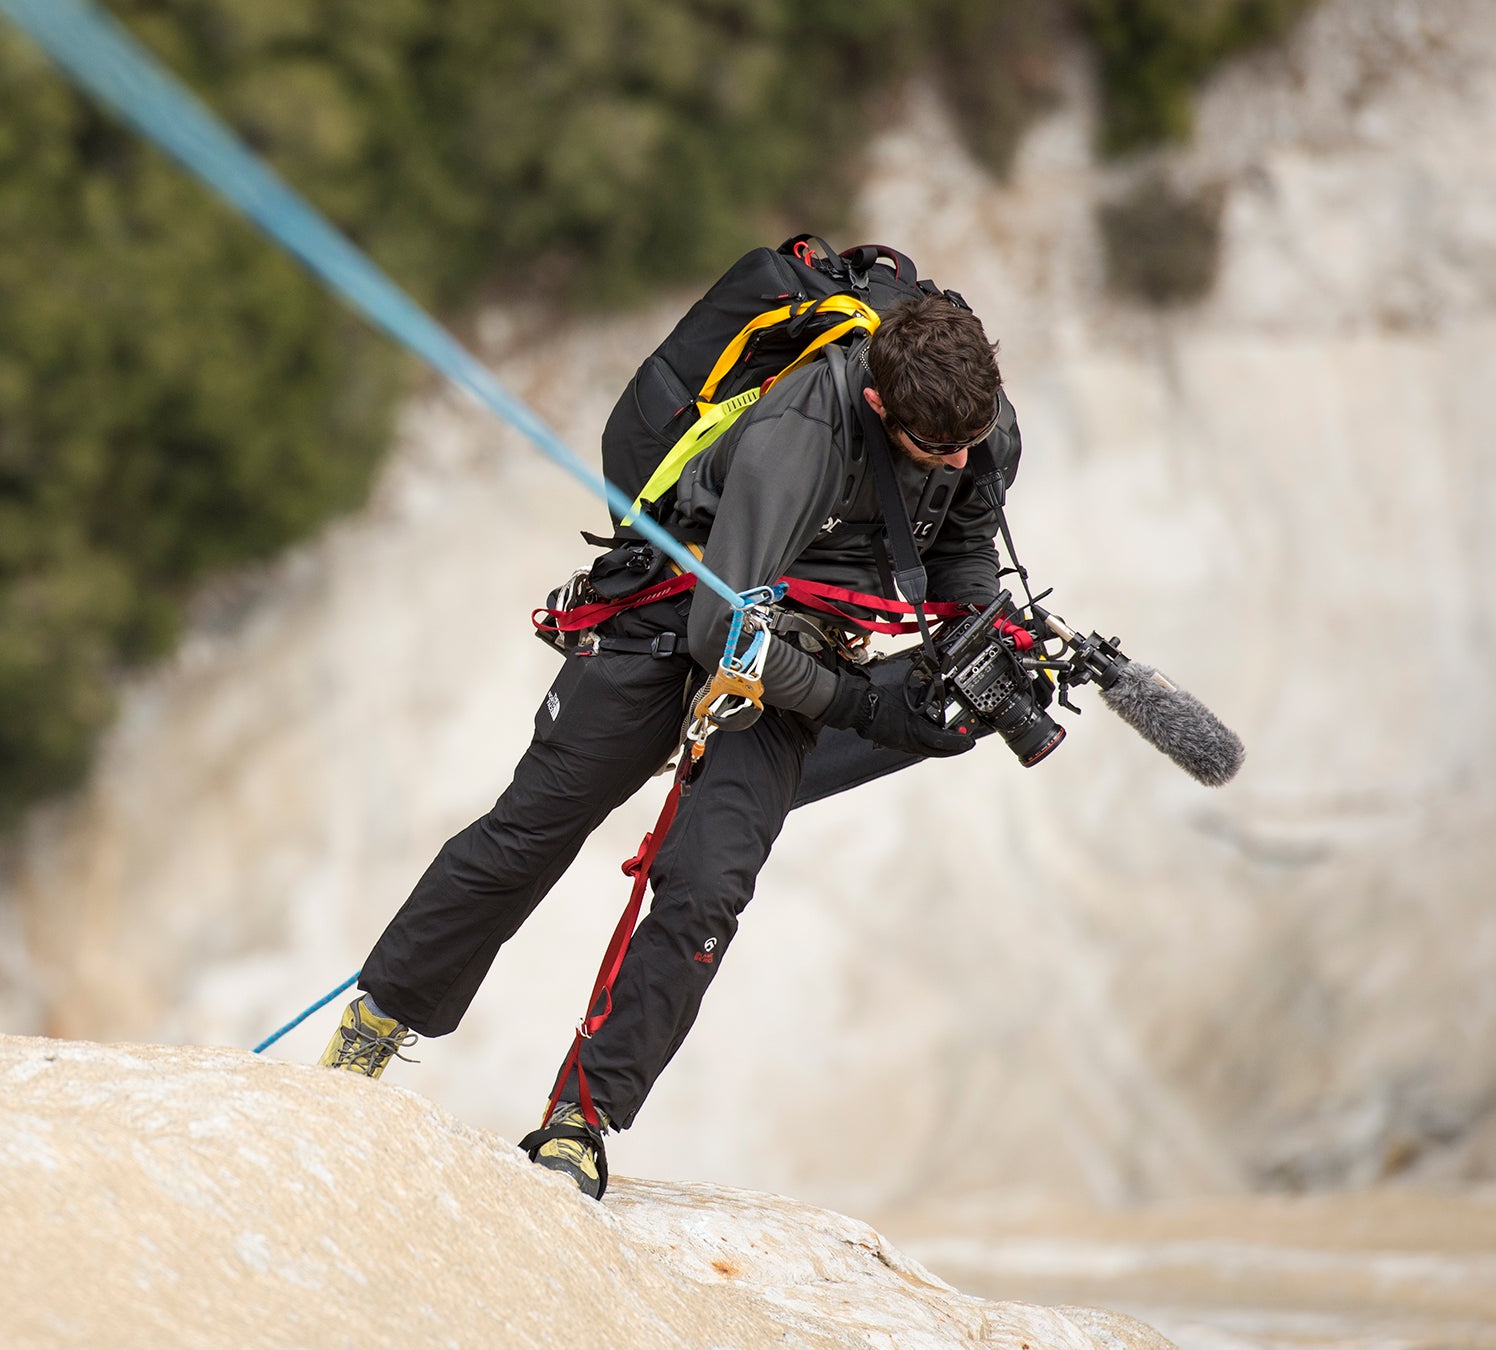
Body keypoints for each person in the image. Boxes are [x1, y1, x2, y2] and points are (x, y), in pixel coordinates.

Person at [315, 291, 1022, 1199]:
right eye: (938, 450)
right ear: (882, 407)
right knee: (536, 828)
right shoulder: (801, 432)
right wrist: (864, 706)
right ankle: (378, 1021)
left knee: (708, 891)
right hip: (672, 618)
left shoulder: (978, 429)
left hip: (803, 643)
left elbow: (961, 554)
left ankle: (580, 1121)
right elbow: (718, 635)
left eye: (973, 440)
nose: (961, 460)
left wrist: (987, 633)